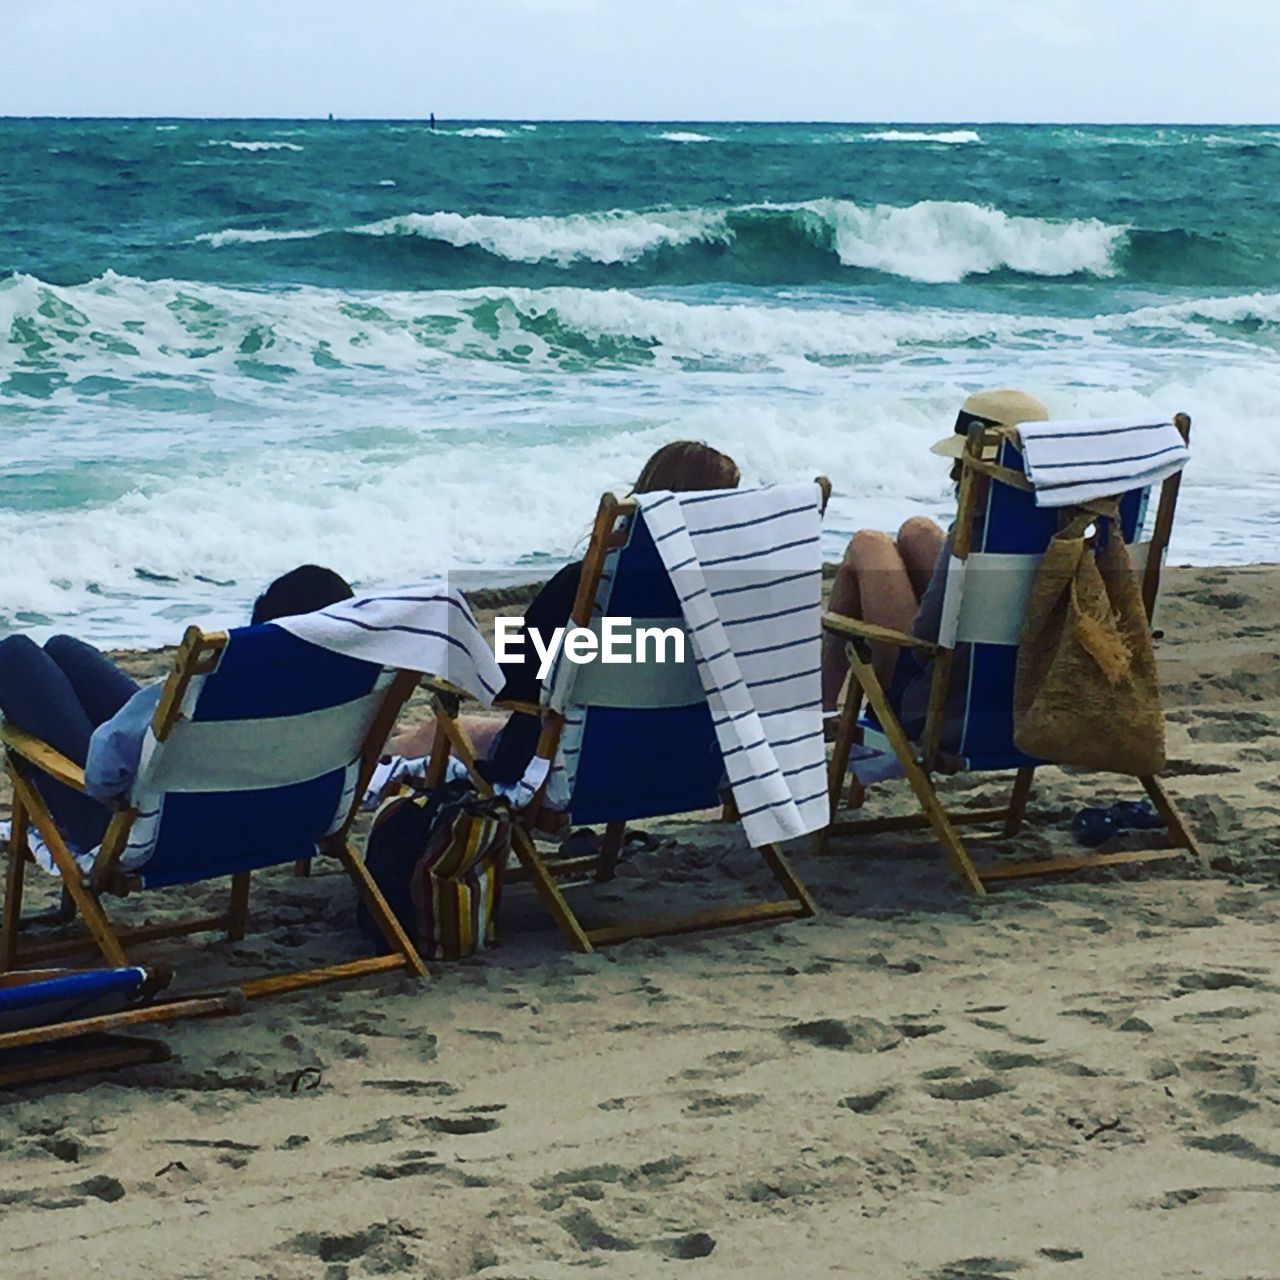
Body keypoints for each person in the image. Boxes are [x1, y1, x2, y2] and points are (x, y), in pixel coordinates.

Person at [388, 440, 742, 786]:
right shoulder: (735, 594)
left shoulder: (584, 585)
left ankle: (387, 753)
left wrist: (460, 677)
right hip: (686, 765)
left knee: (438, 729)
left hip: (571, 771)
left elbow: (513, 681)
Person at [0, 564, 355, 854]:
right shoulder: (357, 692)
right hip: (277, 820)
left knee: (13, 655)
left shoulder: (217, 690)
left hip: (131, 828)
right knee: (63, 650)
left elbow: (101, 775)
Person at [821, 389, 1051, 752]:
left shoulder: (975, 531)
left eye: (961, 461)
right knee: (918, 530)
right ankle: (823, 717)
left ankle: (820, 715)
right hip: (1024, 697)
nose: (954, 471)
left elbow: (927, 636)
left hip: (940, 703)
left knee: (867, 545)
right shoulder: (1063, 527)